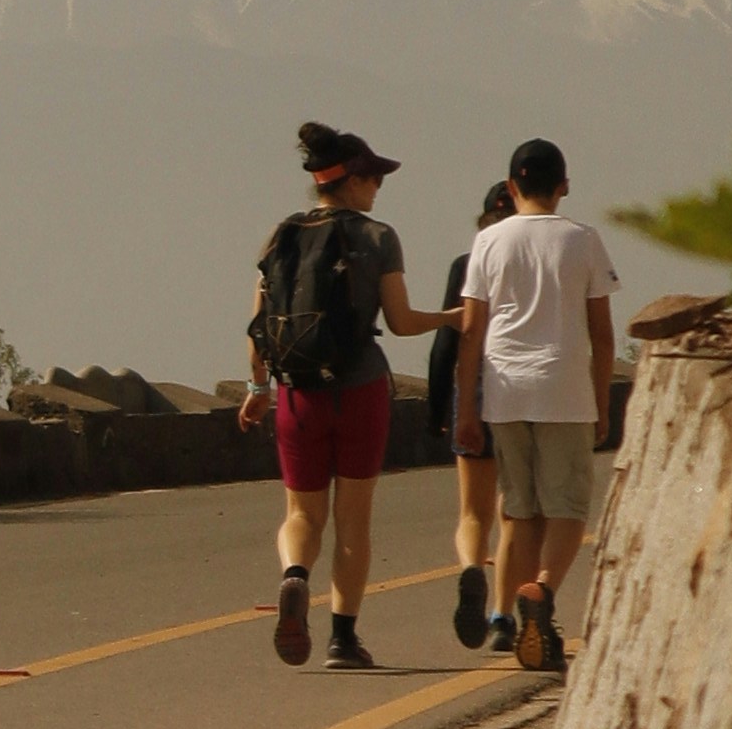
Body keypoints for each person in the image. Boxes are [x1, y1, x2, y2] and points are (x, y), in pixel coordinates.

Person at [240, 120, 450, 670]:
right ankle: (342, 639)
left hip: (296, 396)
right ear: (352, 181)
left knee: (302, 514)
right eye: (374, 177)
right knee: (353, 518)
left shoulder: (280, 234)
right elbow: (401, 323)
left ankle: (293, 577)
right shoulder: (378, 237)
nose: (379, 187)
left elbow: (258, 326)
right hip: (359, 391)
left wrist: (258, 387)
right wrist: (457, 317)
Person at [463, 135, 618, 674]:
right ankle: (544, 592)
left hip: (505, 391)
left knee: (522, 510)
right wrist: (601, 403)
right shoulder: (584, 240)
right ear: (564, 187)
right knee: (568, 509)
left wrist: (466, 405)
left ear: (511, 187)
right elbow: (602, 334)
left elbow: (470, 331)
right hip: (565, 389)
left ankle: (532, 618)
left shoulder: (488, 242)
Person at [427, 177, 516, 651]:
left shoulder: (466, 265)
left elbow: (448, 341)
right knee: (513, 508)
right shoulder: (532, 261)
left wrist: (438, 407)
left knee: (472, 512)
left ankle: (469, 570)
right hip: (524, 390)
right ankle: (503, 617)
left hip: (474, 388)